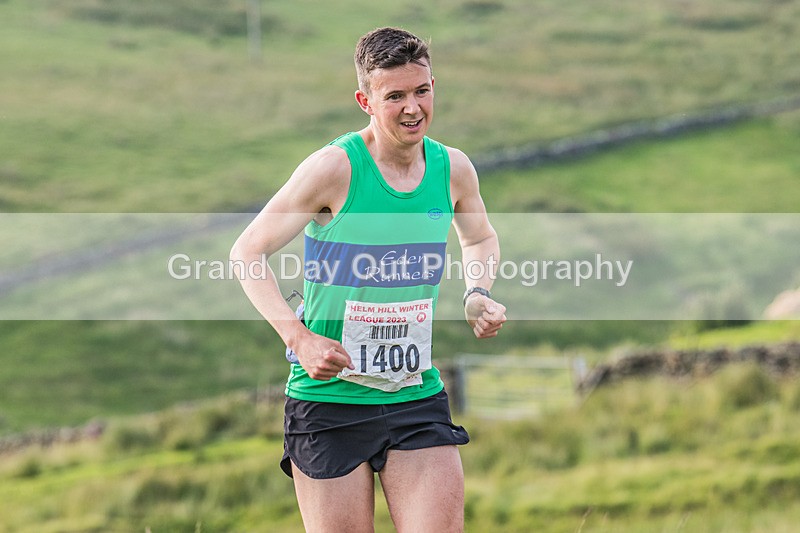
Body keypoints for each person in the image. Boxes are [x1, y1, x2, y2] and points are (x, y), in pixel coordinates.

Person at [231, 26, 506, 532]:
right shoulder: (334, 169)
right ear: (365, 100)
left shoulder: (452, 169)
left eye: (422, 91)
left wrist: (477, 292)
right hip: (329, 401)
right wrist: (300, 337)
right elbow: (247, 252)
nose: (412, 108)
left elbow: (480, 238)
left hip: (414, 393)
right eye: (394, 96)